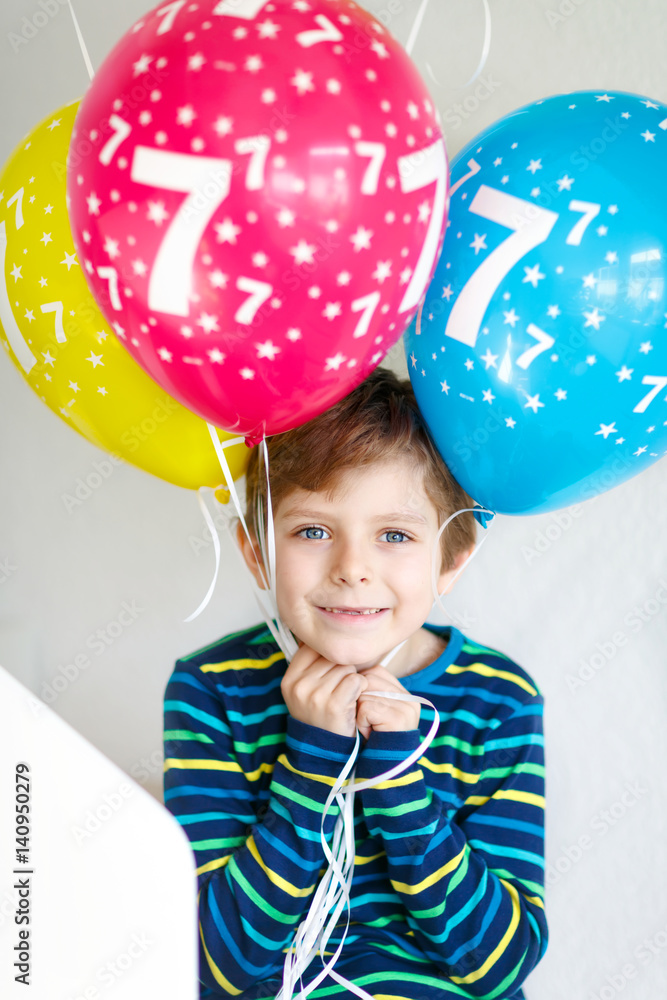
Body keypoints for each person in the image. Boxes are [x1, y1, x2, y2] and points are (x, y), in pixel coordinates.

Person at [163, 367, 548, 999]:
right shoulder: (210, 691)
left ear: (452, 559)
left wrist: (399, 780)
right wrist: (309, 764)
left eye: (394, 535)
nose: (352, 570)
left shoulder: (499, 700)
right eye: (313, 531)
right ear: (257, 548)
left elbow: (499, 966)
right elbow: (219, 965)